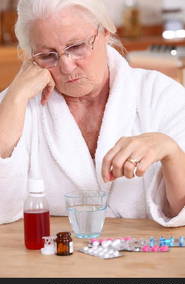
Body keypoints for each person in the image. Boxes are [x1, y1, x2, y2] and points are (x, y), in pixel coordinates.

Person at [0, 0, 185, 227]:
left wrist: (171, 153)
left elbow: (180, 212)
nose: (66, 67)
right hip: (52, 259)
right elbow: (4, 211)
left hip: (147, 258)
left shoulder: (161, 94)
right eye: (48, 55)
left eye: (76, 46)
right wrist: (15, 98)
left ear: (106, 31)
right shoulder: (18, 103)